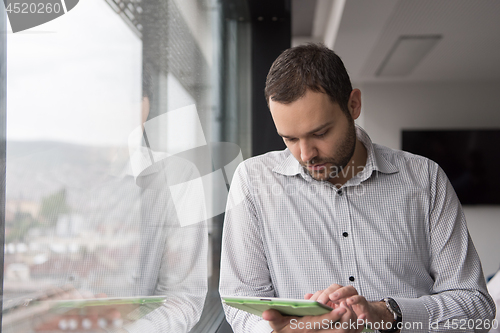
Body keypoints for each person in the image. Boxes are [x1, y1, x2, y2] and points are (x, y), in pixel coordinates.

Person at [219, 43, 495, 333]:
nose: (305, 154)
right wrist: (285, 331)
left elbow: (476, 306)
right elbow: (240, 306)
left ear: (353, 105)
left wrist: (389, 313)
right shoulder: (253, 182)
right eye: (289, 139)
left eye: (320, 133)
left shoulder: (425, 178)